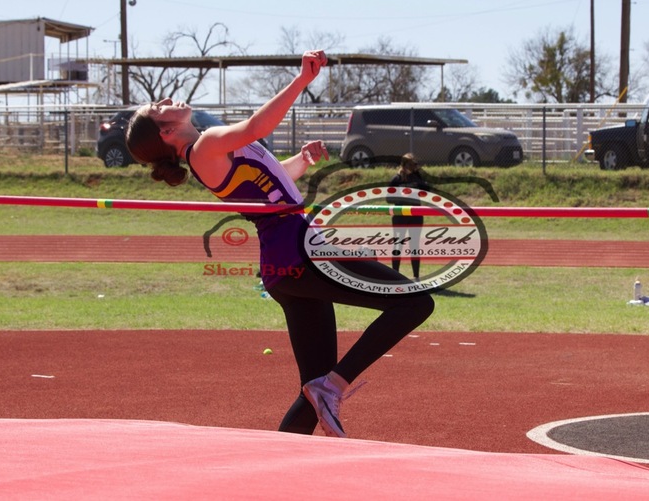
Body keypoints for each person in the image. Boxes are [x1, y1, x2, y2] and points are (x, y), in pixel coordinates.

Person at [125, 50, 434, 437]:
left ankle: (280, 461)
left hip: (286, 261)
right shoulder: (205, 147)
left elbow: (271, 181)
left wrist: (300, 161)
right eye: (160, 107)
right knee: (415, 302)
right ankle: (334, 386)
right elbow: (257, 126)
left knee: (311, 394)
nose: (170, 99)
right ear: (166, 133)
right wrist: (302, 81)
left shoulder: (211, 150)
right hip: (300, 252)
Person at [387, 153, 429, 280]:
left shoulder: (417, 178)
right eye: (411, 165)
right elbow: (388, 198)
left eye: (414, 165)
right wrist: (401, 196)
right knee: (398, 245)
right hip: (400, 216)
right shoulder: (396, 179)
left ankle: (416, 277)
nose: (413, 167)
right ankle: (395, 276)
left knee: (414, 245)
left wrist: (418, 177)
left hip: (415, 215)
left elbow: (427, 191)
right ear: (404, 165)